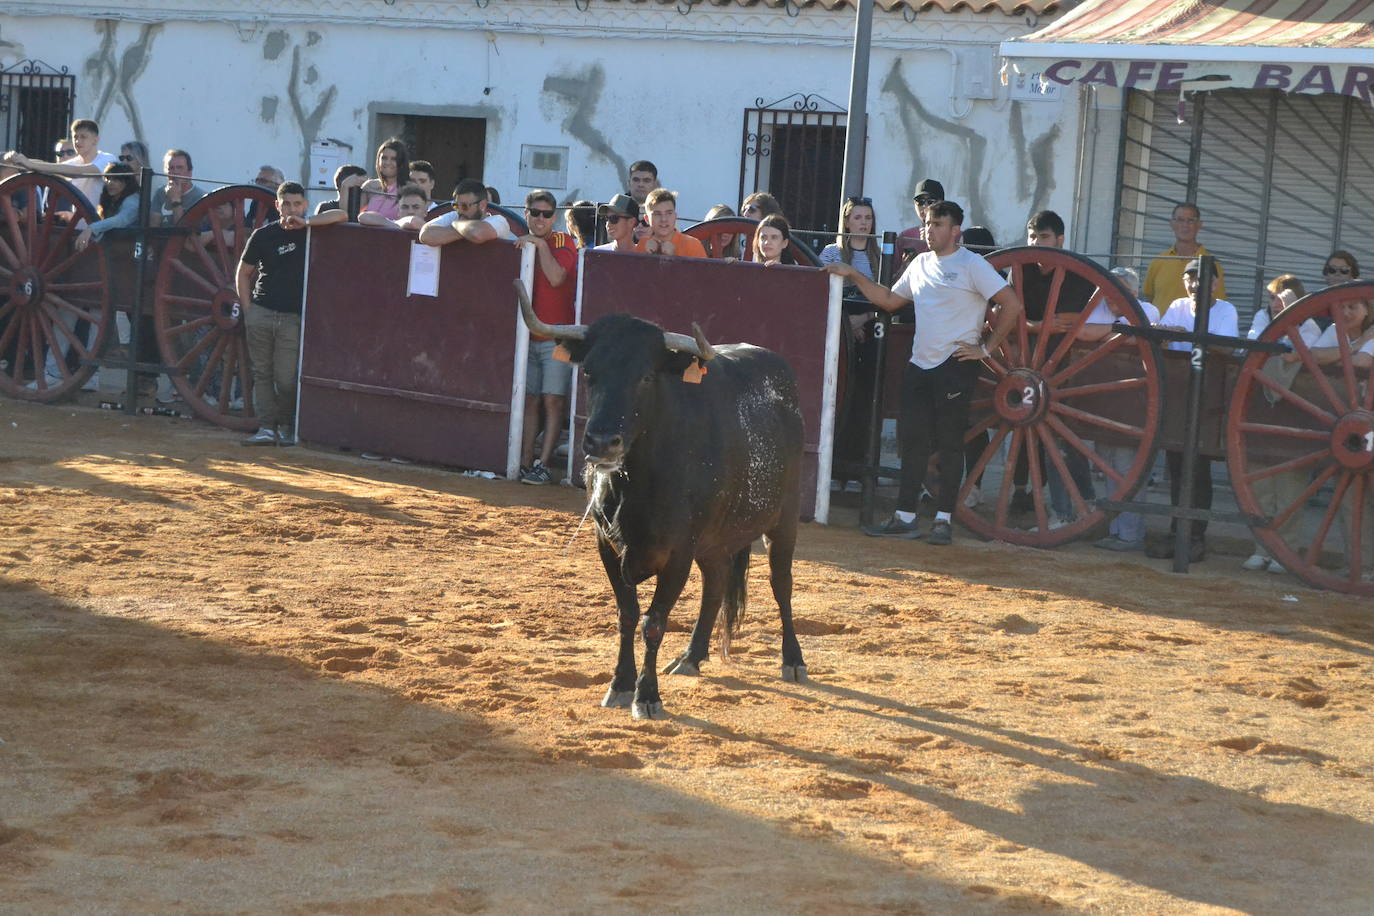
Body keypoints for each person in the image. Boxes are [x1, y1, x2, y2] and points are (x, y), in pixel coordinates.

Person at [824, 200, 1024, 546]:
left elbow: (1012, 304)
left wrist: (986, 349)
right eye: (927, 224)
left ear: (955, 230)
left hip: (955, 364)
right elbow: (888, 301)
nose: (928, 230)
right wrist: (854, 274)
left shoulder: (972, 265)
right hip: (920, 364)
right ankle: (905, 516)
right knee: (913, 443)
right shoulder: (919, 263)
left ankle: (944, 519)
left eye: (936, 224)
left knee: (949, 444)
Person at [1145, 257, 1240, 561]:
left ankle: (1196, 536)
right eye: (1190, 279)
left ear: (1215, 284)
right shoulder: (1177, 305)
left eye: (1202, 279)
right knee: (1175, 464)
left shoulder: (1226, 310)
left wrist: (1189, 337)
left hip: (1210, 394)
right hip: (1179, 392)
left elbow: (1226, 347)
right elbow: (1168, 346)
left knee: (1199, 468)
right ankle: (1177, 533)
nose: (1195, 285)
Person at [1013, 210, 1099, 526]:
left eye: (1043, 237)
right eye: (1032, 236)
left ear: (1060, 241)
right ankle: (1084, 503)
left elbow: (1068, 323)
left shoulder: (1076, 274)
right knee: (1059, 441)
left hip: (1067, 370)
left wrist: (1029, 324)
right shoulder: (1019, 269)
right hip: (1024, 366)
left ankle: (1066, 511)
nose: (1036, 244)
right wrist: (1039, 324)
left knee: (1060, 441)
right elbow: (1010, 313)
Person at [235, 181, 334, 446]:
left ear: (304, 205)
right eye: (286, 204)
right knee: (262, 373)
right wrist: (248, 310)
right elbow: (243, 273)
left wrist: (309, 222)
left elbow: (343, 215)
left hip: (292, 316)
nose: (291, 209)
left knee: (286, 378)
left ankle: (287, 426)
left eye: (296, 204)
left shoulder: (312, 232)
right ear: (277, 206)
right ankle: (268, 428)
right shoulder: (263, 235)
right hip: (262, 311)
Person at [1082, 266, 1160, 552]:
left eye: (1120, 292)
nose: (1113, 298)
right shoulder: (1097, 308)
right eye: (1110, 291)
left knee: (1128, 469)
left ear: (1134, 293)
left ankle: (1130, 534)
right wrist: (1118, 332)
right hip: (1102, 401)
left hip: (1134, 403)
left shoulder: (1148, 310)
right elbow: (1084, 332)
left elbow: (1141, 336)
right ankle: (1115, 530)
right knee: (1107, 466)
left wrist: (1106, 335)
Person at [516, 189, 579, 485]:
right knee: (529, 400)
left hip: (557, 339)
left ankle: (543, 463)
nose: (540, 219)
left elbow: (556, 278)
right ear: (526, 212)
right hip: (526, 338)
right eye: (535, 213)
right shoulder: (520, 239)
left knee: (553, 401)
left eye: (546, 214)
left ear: (554, 217)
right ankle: (526, 461)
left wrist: (539, 246)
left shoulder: (563, 241)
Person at [819, 197, 880, 493]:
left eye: (867, 217)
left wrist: (864, 319)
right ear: (847, 221)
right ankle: (833, 469)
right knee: (837, 397)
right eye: (858, 217)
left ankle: (857, 471)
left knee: (862, 401)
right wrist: (846, 324)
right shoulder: (832, 253)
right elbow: (821, 293)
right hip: (838, 332)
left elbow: (886, 295)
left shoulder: (879, 255)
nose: (864, 222)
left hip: (869, 332)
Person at [3, 118, 116, 214]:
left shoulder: (107, 159)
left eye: (83, 137)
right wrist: (18, 160)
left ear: (95, 140)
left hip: (101, 227)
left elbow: (79, 172)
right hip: (77, 228)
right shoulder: (74, 162)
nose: (78, 141)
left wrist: (29, 163)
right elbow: (50, 166)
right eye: (75, 137)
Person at [1142, 202, 1227, 309]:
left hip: (1195, 326)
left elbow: (1219, 304)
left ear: (1199, 225)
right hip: (1160, 325)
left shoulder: (1210, 264)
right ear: (1172, 224)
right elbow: (1149, 298)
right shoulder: (1159, 261)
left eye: (1191, 220)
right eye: (1180, 220)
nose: (1185, 225)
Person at [418, 178, 515, 246]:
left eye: (465, 206)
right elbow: (425, 234)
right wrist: (465, 232)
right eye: (455, 205)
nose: (459, 210)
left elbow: (477, 234)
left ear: (482, 205)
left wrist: (457, 223)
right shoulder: (456, 215)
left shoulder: (499, 221)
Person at [634, 188, 706, 258]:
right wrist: (646, 256)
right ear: (647, 219)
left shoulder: (692, 245)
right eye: (657, 214)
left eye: (669, 213)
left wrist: (674, 258)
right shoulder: (643, 244)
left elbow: (701, 270)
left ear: (675, 216)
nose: (663, 219)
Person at [148, 149, 205, 227]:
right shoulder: (160, 193)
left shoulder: (200, 197)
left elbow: (182, 232)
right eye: (171, 168)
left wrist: (175, 200)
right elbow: (153, 228)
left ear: (189, 172)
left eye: (180, 168)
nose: (175, 172)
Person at [895, 178, 943, 270]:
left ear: (942, 203)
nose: (925, 206)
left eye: (930, 201)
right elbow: (892, 276)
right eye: (920, 201)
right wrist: (905, 266)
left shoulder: (954, 235)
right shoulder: (905, 236)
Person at [360, 137, 408, 221]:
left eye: (394, 159)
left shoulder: (409, 189)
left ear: (401, 162)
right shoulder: (369, 186)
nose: (387, 162)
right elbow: (353, 216)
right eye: (384, 158)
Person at [1247, 274, 1307, 340]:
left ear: (1296, 301)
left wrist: (1291, 316)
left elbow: (1299, 348)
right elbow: (1254, 344)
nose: (1274, 305)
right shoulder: (1264, 315)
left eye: (1282, 299)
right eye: (1272, 298)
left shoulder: (1308, 323)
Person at [357, 183, 428, 231]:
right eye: (405, 207)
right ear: (398, 211)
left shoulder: (433, 227)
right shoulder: (392, 224)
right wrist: (395, 226)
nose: (410, 211)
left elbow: (413, 222)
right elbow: (363, 217)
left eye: (416, 207)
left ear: (425, 211)